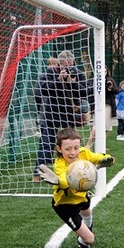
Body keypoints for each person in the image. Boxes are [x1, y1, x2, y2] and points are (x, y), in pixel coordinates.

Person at [35, 127, 115, 248]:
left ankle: (85, 231)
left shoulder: (83, 153)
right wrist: (59, 181)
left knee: (87, 211)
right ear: (59, 149)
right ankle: (83, 241)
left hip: (81, 196)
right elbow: (65, 181)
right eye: (68, 149)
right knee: (90, 239)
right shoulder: (60, 164)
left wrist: (106, 159)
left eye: (76, 147)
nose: (73, 152)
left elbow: (97, 157)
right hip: (65, 205)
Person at [33, 50, 89, 179]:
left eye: (69, 65)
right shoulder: (50, 72)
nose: (66, 68)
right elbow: (43, 89)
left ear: (73, 62)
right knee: (46, 143)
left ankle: (72, 171)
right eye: (64, 65)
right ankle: (38, 173)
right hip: (51, 113)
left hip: (69, 113)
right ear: (59, 63)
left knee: (71, 145)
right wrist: (58, 81)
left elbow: (85, 91)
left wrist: (72, 83)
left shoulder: (78, 73)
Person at [104, 67, 120, 134]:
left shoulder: (110, 80)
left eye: (105, 71)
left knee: (106, 127)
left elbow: (117, 91)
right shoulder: (95, 81)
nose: (104, 73)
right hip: (99, 105)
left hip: (108, 105)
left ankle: (103, 143)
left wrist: (111, 88)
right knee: (96, 127)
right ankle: (89, 143)